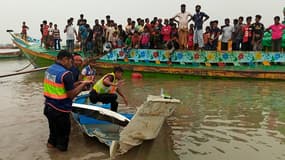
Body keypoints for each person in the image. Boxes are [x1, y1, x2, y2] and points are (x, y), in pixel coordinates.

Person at [43, 50, 92, 151]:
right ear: (65, 60)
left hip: (48, 107)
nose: (72, 64)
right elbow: (71, 95)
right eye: (71, 61)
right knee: (63, 141)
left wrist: (80, 83)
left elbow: (62, 86)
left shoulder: (49, 69)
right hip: (60, 111)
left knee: (52, 137)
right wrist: (83, 85)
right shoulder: (66, 74)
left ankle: (50, 154)